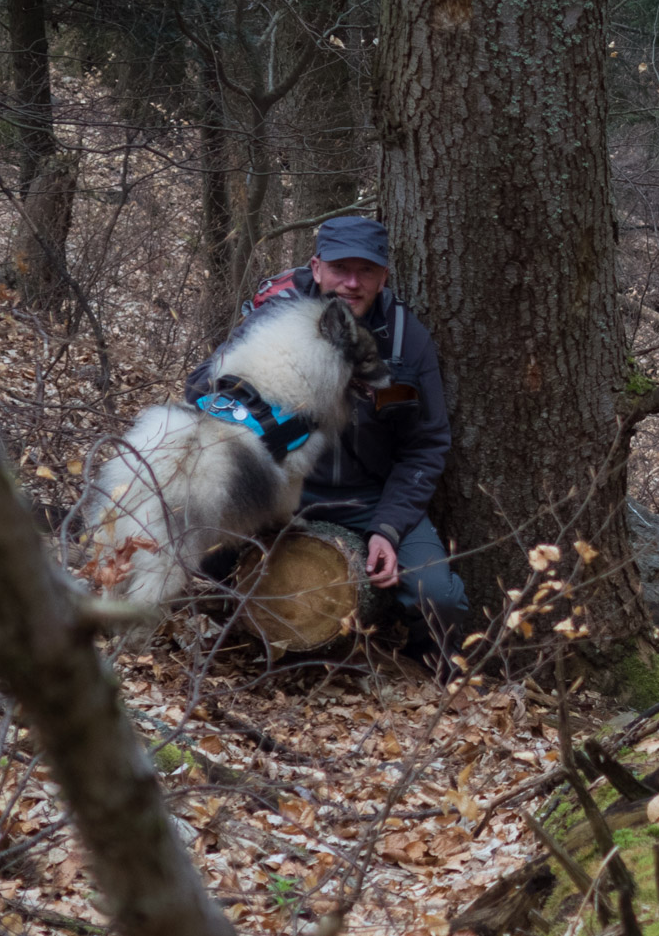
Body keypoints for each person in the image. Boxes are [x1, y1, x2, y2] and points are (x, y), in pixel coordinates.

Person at [186, 216, 470, 662]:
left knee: (440, 598)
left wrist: (388, 529)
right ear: (317, 268)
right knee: (206, 556)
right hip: (276, 488)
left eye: (366, 272)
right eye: (340, 269)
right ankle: (237, 645)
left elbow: (426, 444)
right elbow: (201, 387)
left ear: (384, 277)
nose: (352, 283)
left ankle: (429, 680)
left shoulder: (404, 337)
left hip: (369, 500)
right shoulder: (277, 315)